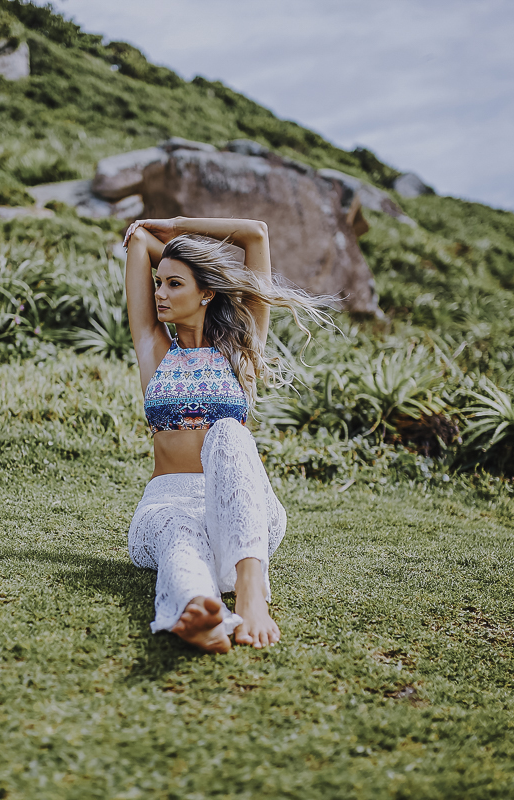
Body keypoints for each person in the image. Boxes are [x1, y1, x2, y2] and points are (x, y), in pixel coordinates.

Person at [121, 216, 331, 654]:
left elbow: (256, 233)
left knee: (229, 434)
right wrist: (156, 240)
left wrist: (176, 225)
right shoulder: (153, 349)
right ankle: (198, 611)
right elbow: (138, 238)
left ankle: (251, 592)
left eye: (174, 284)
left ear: (207, 292)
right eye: (158, 283)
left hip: (243, 510)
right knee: (180, 535)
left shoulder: (240, 350)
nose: (159, 293)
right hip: (166, 502)